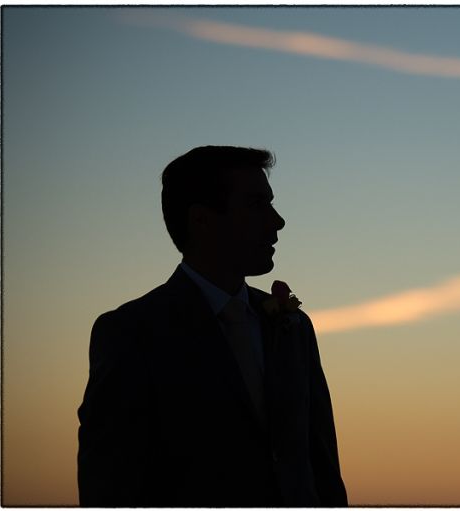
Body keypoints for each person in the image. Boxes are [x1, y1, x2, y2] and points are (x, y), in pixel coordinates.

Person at [77, 146, 348, 506]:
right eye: (256, 204)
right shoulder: (132, 333)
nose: (277, 221)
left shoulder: (293, 326)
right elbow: (109, 483)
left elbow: (322, 465)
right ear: (202, 219)